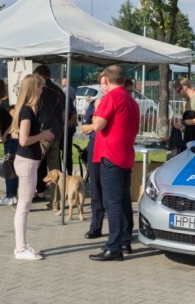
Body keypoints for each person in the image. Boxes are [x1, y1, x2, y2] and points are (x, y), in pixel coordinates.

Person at [88, 65, 139, 262]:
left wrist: (94, 116)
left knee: (112, 202)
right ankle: (125, 239)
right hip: (125, 154)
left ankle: (114, 246)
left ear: (107, 81)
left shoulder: (112, 97)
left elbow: (98, 124)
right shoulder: (131, 100)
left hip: (111, 154)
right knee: (123, 199)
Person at [11, 74, 54, 260]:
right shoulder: (27, 111)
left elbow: (15, 134)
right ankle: (20, 248)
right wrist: (43, 134)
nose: (42, 90)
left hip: (28, 161)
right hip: (27, 161)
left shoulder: (26, 109)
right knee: (24, 206)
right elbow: (23, 139)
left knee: (24, 205)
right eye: (40, 87)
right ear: (33, 88)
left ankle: (21, 245)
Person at [32, 65, 65, 208]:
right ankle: (56, 202)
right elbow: (63, 113)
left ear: (39, 75)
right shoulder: (59, 90)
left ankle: (25, 201)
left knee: (31, 167)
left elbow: (36, 111)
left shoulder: (40, 90)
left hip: (43, 133)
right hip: (56, 132)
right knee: (55, 172)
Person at [82, 72, 108, 240]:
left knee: (111, 191)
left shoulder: (116, 101)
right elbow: (85, 127)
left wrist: (93, 125)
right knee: (95, 187)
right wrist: (92, 125)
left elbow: (96, 126)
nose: (103, 86)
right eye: (101, 83)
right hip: (95, 145)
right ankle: (96, 225)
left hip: (110, 147)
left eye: (105, 82)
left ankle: (120, 233)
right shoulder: (94, 103)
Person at [0, 79, 19, 207]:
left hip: (11, 138)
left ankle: (11, 195)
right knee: (11, 165)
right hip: (10, 138)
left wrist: (7, 132)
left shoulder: (5, 102)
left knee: (9, 166)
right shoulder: (2, 103)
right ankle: (12, 193)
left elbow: (15, 116)